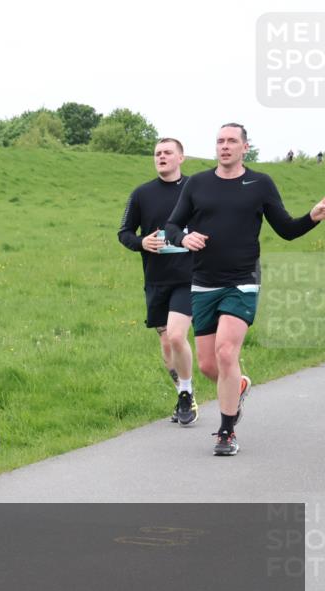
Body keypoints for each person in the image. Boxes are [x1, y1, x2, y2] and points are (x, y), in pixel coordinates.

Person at [165, 123, 325, 455]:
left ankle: (226, 432)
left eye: (231, 141)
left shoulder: (260, 184)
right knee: (209, 365)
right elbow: (171, 226)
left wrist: (312, 216)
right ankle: (237, 386)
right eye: (220, 141)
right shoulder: (198, 183)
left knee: (226, 352)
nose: (224, 146)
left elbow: (286, 230)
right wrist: (183, 238)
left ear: (244, 147)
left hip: (242, 280)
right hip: (203, 282)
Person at [118, 138, 198, 426]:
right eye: (157, 153)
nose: (161, 157)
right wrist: (142, 242)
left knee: (177, 336)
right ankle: (183, 394)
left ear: (181, 157)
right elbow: (124, 232)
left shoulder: (196, 189)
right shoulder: (142, 194)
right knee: (167, 345)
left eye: (167, 153)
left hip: (188, 278)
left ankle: (187, 394)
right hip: (156, 279)